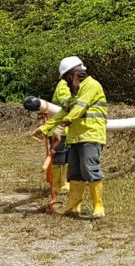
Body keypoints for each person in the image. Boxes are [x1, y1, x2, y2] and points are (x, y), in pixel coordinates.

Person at [35, 56, 109, 218]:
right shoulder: (75, 92)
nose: (66, 83)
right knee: (74, 172)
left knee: (90, 169)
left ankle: (98, 207)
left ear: (75, 74)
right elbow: (63, 112)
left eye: (67, 78)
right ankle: (74, 207)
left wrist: (66, 122)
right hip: (75, 137)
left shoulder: (92, 86)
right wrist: (45, 128)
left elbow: (80, 108)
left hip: (91, 134)